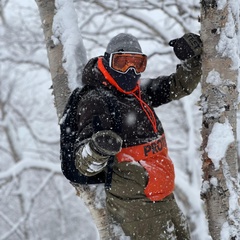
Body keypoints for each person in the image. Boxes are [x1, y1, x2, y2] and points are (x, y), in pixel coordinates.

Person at [74, 33, 202, 239]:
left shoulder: (138, 91)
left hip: (163, 194)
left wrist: (193, 59)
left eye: (137, 63)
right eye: (122, 62)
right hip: (136, 207)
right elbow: (83, 163)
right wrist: (97, 149)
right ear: (108, 62)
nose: (130, 70)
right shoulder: (97, 100)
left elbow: (178, 85)